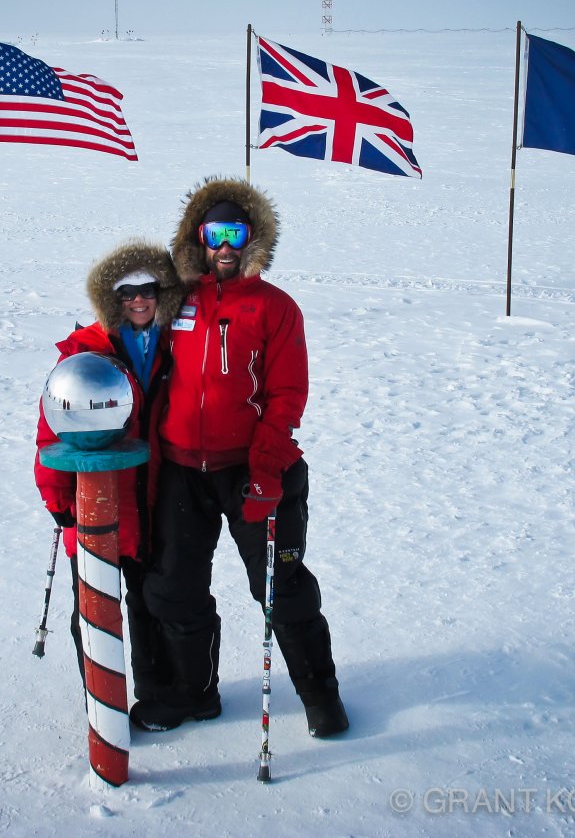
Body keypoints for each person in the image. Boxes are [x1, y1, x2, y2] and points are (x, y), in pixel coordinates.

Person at [133, 176, 349, 738]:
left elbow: (286, 396)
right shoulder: (174, 299)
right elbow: (123, 336)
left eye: (236, 233)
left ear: (251, 239)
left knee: (281, 585)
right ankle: (194, 693)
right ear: (198, 238)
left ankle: (320, 696)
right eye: (214, 233)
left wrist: (267, 470)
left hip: (252, 470)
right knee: (172, 587)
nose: (224, 246)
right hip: (183, 469)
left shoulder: (275, 309)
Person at [34, 238, 183, 705]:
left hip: (152, 497)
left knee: (150, 604)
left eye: (148, 289)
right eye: (126, 293)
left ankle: (157, 696)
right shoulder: (86, 355)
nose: (139, 300)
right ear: (110, 299)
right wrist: (58, 499)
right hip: (94, 502)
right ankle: (102, 702)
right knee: (95, 608)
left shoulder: (174, 341)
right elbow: (53, 427)